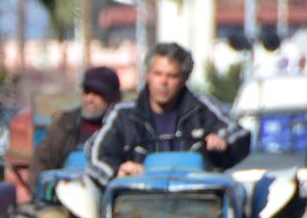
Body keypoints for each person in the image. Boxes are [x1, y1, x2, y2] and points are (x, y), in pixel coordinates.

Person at [88, 42, 249, 182]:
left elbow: (238, 133)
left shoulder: (203, 109)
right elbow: (97, 154)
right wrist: (118, 171)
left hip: (198, 199)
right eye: (158, 74)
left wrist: (223, 140)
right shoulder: (123, 115)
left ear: (184, 78)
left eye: (172, 76)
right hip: (137, 201)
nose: (163, 82)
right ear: (147, 75)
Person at [29, 66, 121, 187]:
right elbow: (42, 162)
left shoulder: (123, 127)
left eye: (98, 93)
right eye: (87, 92)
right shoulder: (65, 124)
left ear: (113, 97)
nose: (90, 99)